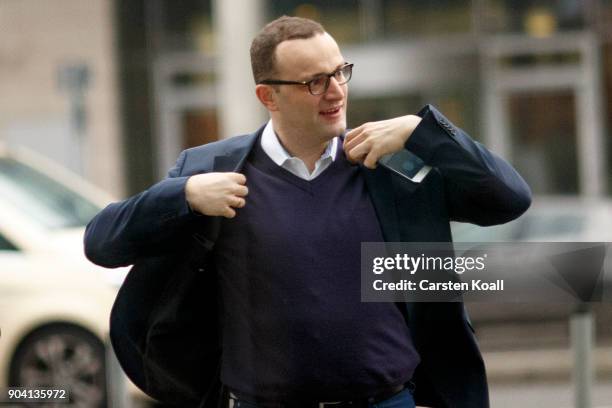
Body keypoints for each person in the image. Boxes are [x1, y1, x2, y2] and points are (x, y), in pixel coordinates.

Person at [85, 16, 531, 408]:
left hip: (389, 402)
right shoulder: (213, 173)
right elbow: (101, 242)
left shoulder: (388, 164)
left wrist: (424, 133)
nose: (335, 91)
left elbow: (509, 198)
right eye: (314, 81)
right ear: (269, 96)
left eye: (340, 72)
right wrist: (183, 196)